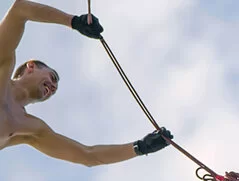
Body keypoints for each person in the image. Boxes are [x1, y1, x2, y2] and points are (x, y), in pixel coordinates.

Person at [0, 1, 172, 166]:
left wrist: (141, 147)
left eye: (55, 89)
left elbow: (87, 155)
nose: (53, 87)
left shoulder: (30, 128)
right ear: (31, 66)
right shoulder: (3, 64)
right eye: (52, 77)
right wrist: (74, 22)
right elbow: (19, 10)